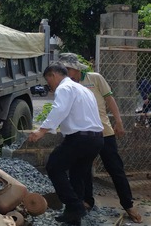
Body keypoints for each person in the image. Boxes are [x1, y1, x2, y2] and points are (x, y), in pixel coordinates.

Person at [59, 53, 142, 223]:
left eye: (67, 69)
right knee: (82, 170)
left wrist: (118, 121)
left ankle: (128, 204)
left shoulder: (94, 78)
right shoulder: (66, 86)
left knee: (115, 169)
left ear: (75, 68)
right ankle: (86, 202)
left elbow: (109, 99)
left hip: (104, 132)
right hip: (81, 136)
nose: (65, 72)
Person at [28, 62, 104, 225]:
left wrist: (42, 130)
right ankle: (73, 217)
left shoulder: (64, 88)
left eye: (49, 81)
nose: (50, 86)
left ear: (53, 75)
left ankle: (74, 205)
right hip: (96, 139)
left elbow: (59, 109)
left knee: (54, 166)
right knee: (77, 174)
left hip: (80, 138)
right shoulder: (83, 89)